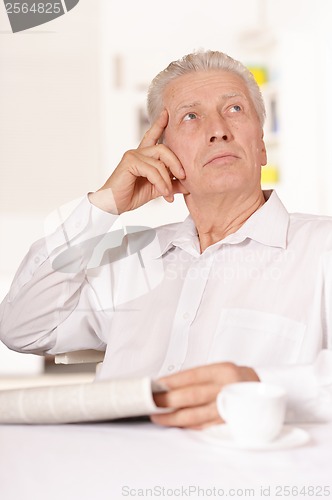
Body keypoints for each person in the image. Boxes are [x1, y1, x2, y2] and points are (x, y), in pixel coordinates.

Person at [0, 50, 332, 429]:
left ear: (261, 145)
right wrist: (105, 205)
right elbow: (21, 327)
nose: (218, 129)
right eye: (191, 116)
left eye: (235, 109)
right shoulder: (131, 257)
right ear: (164, 151)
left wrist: (260, 387)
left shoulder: (323, 248)